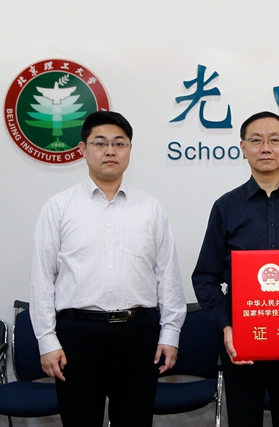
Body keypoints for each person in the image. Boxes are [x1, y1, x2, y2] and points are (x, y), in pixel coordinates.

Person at [30, 111, 187, 427]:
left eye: (119, 143)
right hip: (77, 336)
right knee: (79, 420)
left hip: (138, 334)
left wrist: (170, 333)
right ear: (83, 149)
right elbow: (42, 278)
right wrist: (47, 340)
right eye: (100, 143)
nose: (110, 151)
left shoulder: (150, 208)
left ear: (129, 149)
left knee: (135, 420)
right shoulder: (58, 207)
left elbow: (167, 275)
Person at [192, 111, 279, 427]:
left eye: (275, 140)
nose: (266, 148)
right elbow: (204, 277)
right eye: (256, 140)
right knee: (243, 420)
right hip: (241, 339)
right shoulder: (226, 206)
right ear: (243, 147)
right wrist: (226, 325)